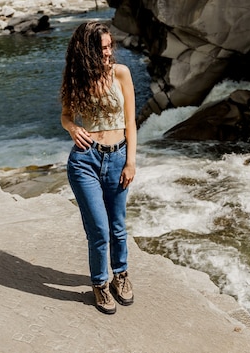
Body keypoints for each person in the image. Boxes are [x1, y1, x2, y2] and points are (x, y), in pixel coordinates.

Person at [60, 21, 137, 314]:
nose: (108, 52)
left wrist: (130, 161)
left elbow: (130, 122)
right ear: (87, 51)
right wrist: (71, 128)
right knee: (99, 230)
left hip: (118, 157)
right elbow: (66, 115)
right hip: (85, 161)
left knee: (117, 226)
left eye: (109, 46)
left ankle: (121, 275)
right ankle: (100, 284)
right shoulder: (76, 77)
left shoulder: (121, 73)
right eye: (102, 48)